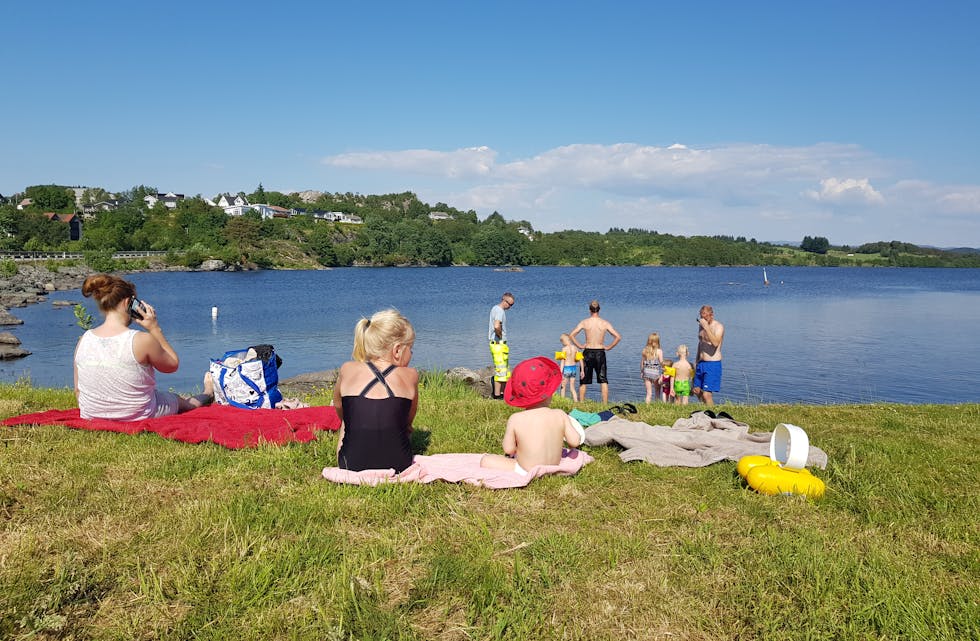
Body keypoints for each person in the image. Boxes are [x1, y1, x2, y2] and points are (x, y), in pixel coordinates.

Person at [73, 273, 213, 420]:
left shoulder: (84, 339)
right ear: (128, 303)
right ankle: (208, 392)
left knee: (159, 395)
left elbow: (78, 390)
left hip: (90, 414)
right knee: (179, 400)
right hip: (138, 413)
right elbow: (172, 365)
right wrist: (154, 328)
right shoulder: (141, 340)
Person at [333, 309, 418, 473]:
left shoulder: (347, 368)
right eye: (411, 348)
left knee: (347, 415)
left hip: (349, 463)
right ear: (398, 350)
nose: (412, 354)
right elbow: (409, 420)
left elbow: (338, 406)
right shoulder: (411, 375)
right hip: (400, 464)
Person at [480, 356, 586, 475]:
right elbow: (575, 441)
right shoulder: (560, 414)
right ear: (548, 393)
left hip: (526, 469)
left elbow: (508, 449)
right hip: (554, 465)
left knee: (486, 460)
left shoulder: (516, 418)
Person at [568, 300, 621, 403]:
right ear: (599, 310)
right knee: (603, 379)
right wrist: (609, 347)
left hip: (587, 351)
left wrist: (579, 345)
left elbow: (571, 335)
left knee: (584, 380)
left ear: (589, 310)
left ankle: (582, 403)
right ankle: (604, 404)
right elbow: (618, 337)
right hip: (600, 352)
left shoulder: (585, 322)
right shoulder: (604, 323)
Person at [692, 305, 725, 406]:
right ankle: (707, 409)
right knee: (696, 390)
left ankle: (712, 413)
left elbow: (715, 343)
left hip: (712, 363)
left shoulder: (718, 327)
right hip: (701, 362)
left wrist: (706, 327)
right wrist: (697, 360)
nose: (703, 320)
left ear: (712, 315)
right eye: (701, 317)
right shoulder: (701, 325)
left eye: (705, 317)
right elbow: (701, 343)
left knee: (707, 394)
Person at [488, 292, 515, 399]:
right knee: (500, 371)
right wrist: (499, 336)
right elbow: (496, 325)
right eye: (509, 304)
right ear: (504, 300)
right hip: (498, 344)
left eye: (512, 305)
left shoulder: (495, 308)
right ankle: (497, 396)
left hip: (497, 344)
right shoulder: (499, 311)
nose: (510, 307)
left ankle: (504, 394)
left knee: (504, 371)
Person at [556, 333, 582, 401]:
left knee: (563, 386)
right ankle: (576, 401)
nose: (562, 344)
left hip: (567, 368)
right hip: (573, 368)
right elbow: (580, 359)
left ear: (564, 341)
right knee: (572, 387)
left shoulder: (564, 349)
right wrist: (582, 370)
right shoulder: (575, 348)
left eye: (562, 342)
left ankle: (562, 401)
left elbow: (562, 362)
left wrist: (560, 372)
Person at [639, 332, 664, 404]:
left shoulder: (645, 350)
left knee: (648, 393)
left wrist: (641, 372)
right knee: (657, 391)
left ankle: (647, 406)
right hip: (655, 374)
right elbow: (662, 364)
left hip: (646, 373)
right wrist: (662, 374)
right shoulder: (659, 351)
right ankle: (657, 405)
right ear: (657, 341)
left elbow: (642, 363)